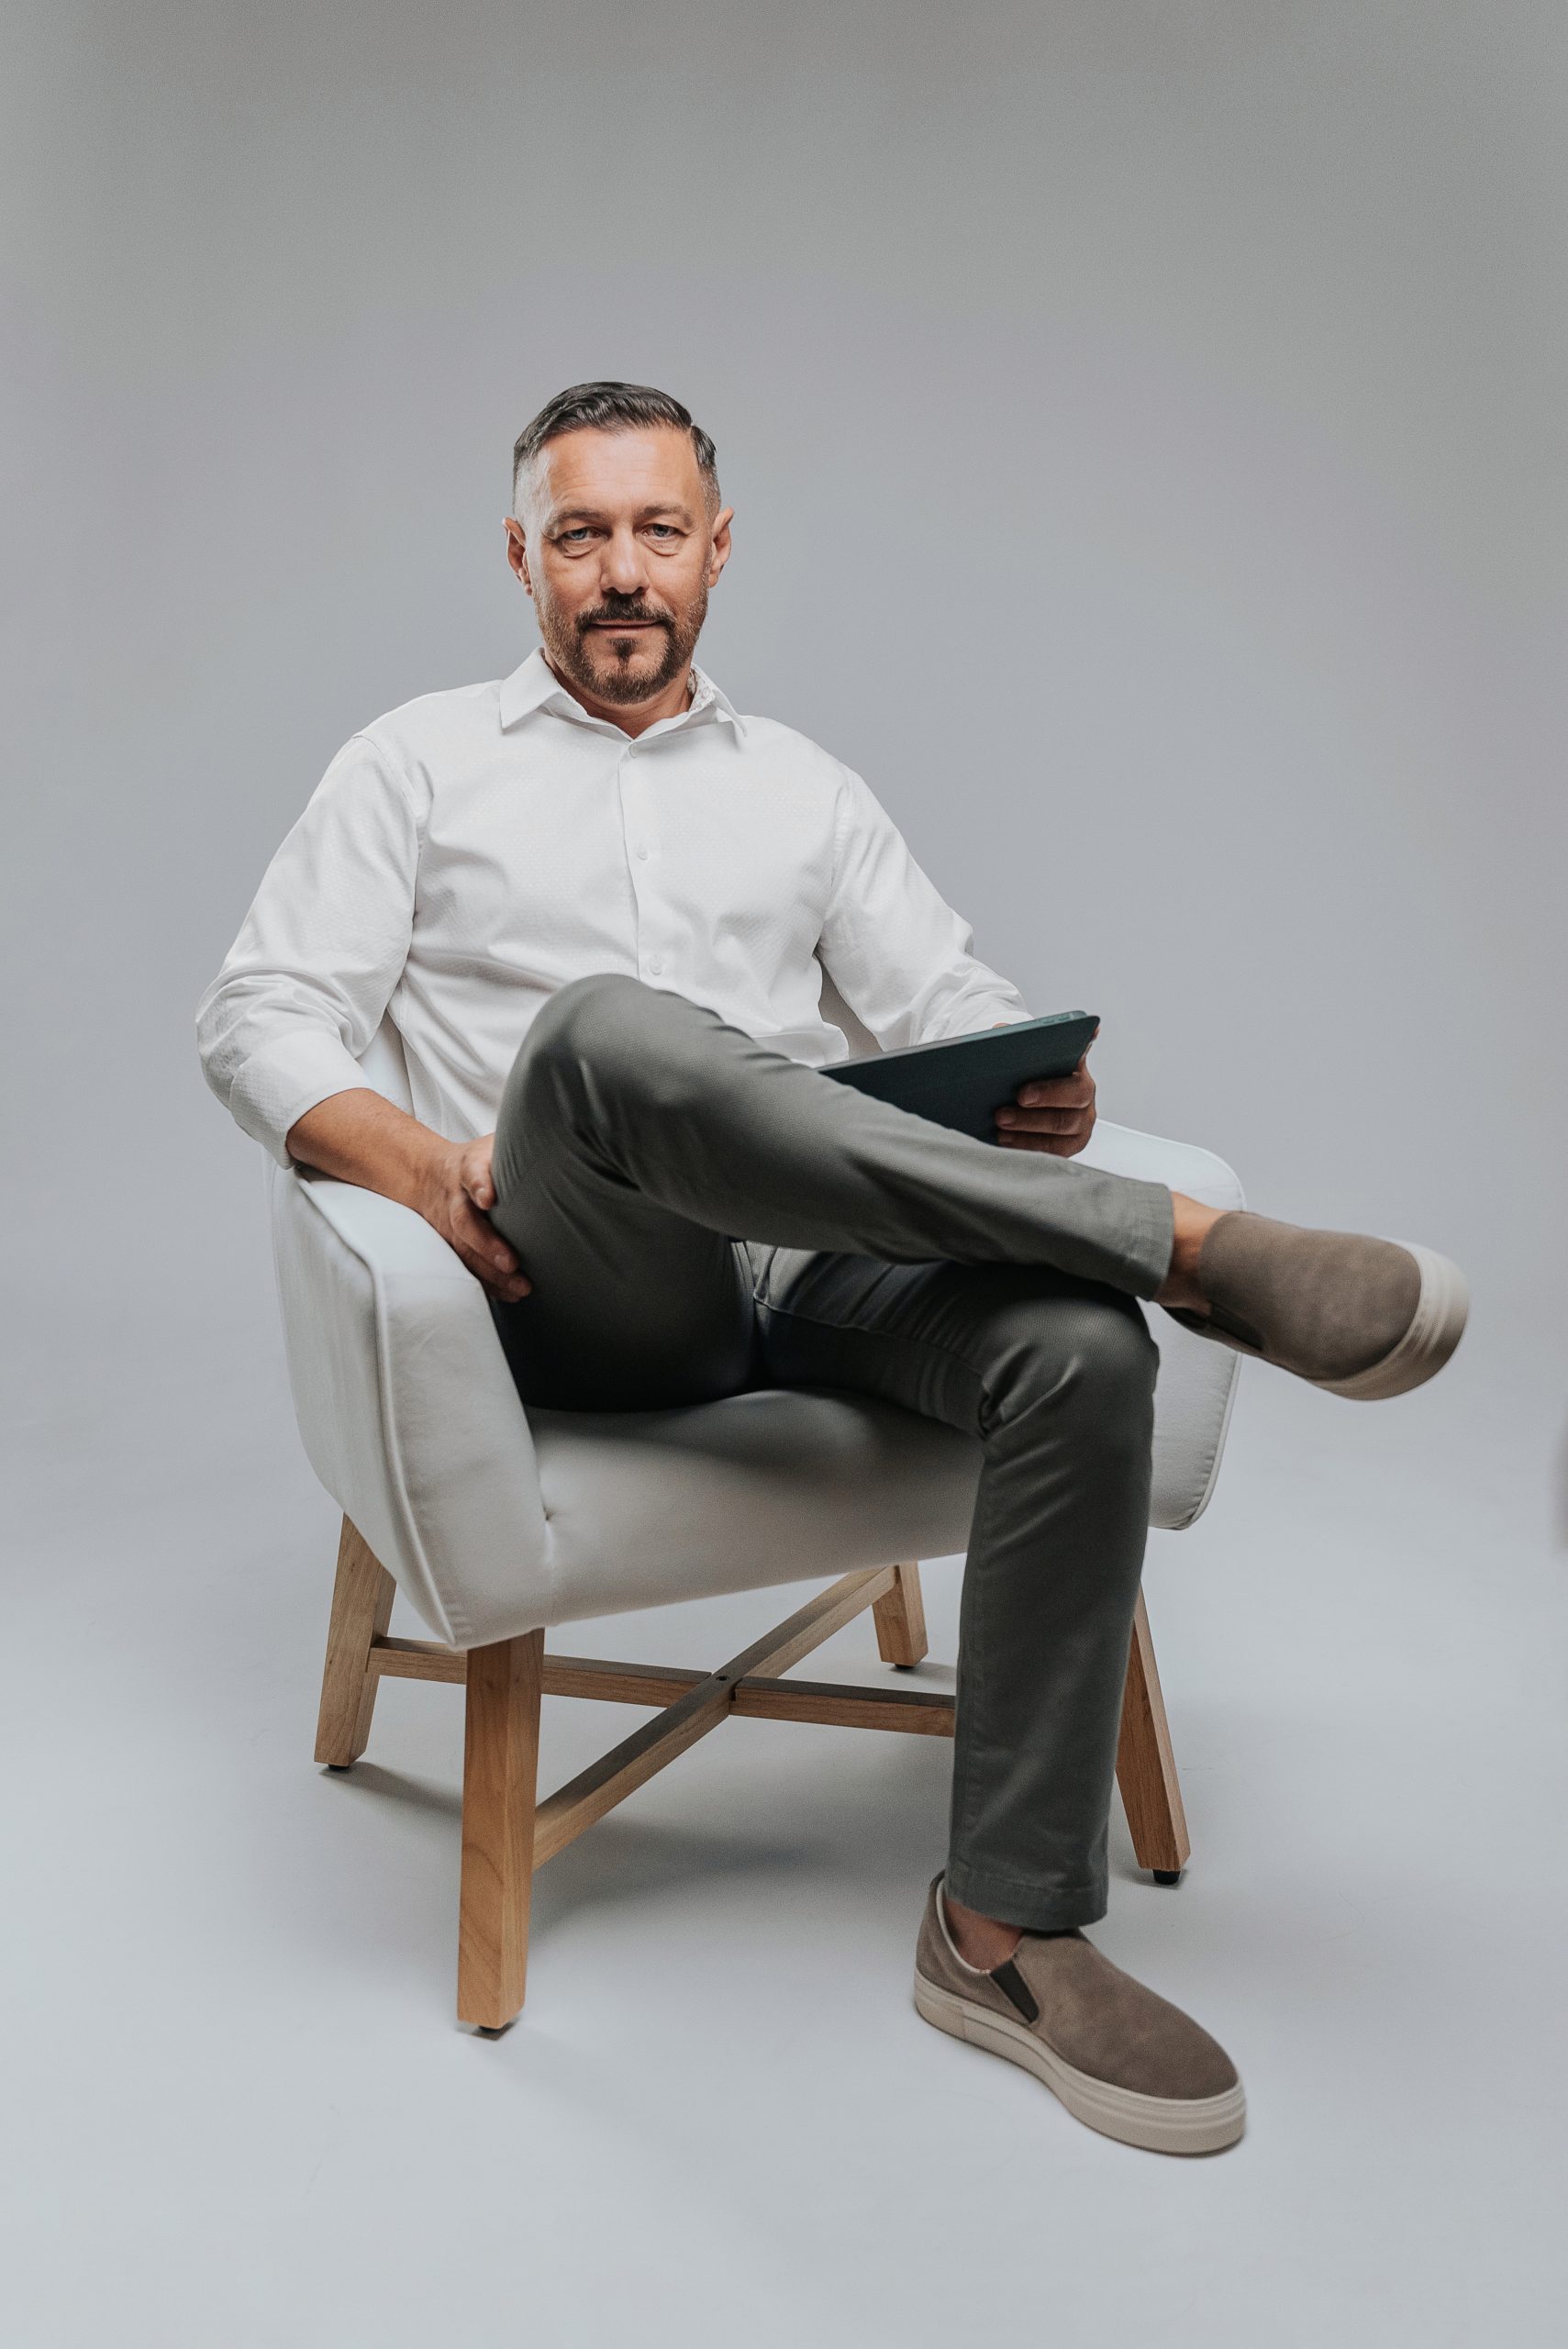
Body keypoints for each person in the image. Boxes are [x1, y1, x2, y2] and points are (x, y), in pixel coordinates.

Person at [197, 381, 1467, 2155]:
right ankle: (1183, 1248)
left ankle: (1005, 1932)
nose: (620, 571)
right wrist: (420, 1165)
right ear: (521, 557)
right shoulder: (414, 762)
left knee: (1081, 1353)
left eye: (657, 532)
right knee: (606, 1036)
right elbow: (255, 1016)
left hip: (817, 1260)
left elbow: (948, 1001)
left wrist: (1029, 1079)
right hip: (582, 1283)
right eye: (580, 535)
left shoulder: (802, 788)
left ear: (715, 550)